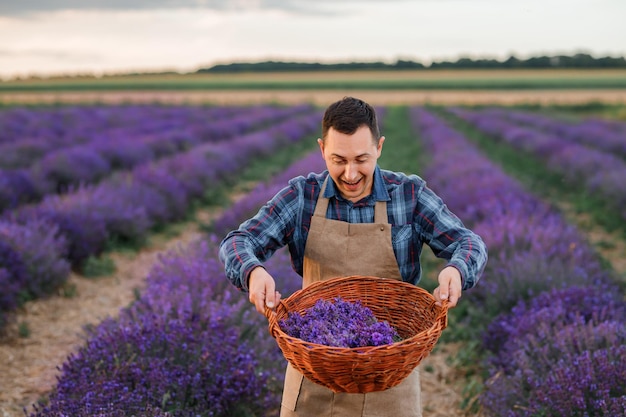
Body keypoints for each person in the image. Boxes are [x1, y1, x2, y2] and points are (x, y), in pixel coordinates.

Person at [219, 96, 488, 417]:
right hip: (316, 373)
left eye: (361, 159)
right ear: (322, 150)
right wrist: (253, 272)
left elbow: (468, 243)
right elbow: (239, 241)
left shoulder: (408, 196)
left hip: (390, 377)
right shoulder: (302, 197)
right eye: (338, 159)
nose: (349, 174)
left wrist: (456, 270)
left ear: (379, 147)